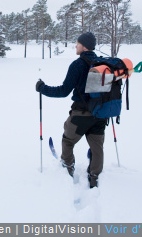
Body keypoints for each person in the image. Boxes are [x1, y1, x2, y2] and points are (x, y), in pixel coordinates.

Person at [36, 32, 107, 188]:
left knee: (68, 141)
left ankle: (68, 168)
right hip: (100, 114)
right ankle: (94, 177)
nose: (76, 45)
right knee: (97, 147)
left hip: (80, 115)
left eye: (77, 43)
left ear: (84, 45)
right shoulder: (103, 63)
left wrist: (43, 88)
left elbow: (63, 91)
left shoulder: (78, 64)